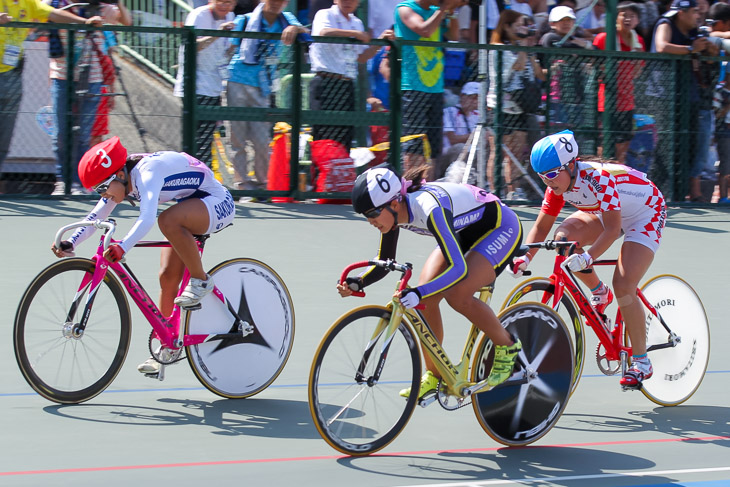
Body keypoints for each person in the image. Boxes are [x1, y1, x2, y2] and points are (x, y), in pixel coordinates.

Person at [50, 137, 236, 375]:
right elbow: (95, 218)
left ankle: (201, 280)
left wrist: (123, 247)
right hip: (190, 204)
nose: (103, 195)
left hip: (217, 203)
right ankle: (167, 347)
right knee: (167, 277)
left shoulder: (147, 173)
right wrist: (70, 241)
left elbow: (147, 218)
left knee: (167, 220)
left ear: (118, 175)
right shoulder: (122, 179)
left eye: (102, 188)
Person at [338, 164, 524, 400]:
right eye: (366, 216)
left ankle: (507, 346)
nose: (370, 221)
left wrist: (418, 292)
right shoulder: (393, 215)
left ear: (394, 203)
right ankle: (435, 374)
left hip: (499, 227)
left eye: (372, 214)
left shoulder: (429, 208)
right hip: (461, 231)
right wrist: (358, 283)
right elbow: (385, 261)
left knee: (457, 294)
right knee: (424, 299)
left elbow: (458, 268)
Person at [513, 130, 667, 389]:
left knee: (624, 283)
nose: (547, 182)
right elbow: (541, 228)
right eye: (542, 176)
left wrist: (588, 257)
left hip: (645, 213)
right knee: (564, 238)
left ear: (571, 165)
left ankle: (642, 362)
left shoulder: (599, 179)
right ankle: (598, 291)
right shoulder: (557, 186)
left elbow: (611, 229)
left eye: (551, 174)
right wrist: (524, 257)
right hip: (607, 213)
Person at [0, 2, 101, 193]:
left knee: (4, 138)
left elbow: (55, 15)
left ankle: (76, 183)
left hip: (12, 74)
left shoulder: (28, 3)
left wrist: (85, 21)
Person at [226, 0, 306, 190]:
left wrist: (295, 28)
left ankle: (263, 184)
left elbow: (305, 32)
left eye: (281, 0)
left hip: (263, 85)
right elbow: (230, 48)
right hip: (237, 80)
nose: (276, 3)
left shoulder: (287, 19)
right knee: (237, 138)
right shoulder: (244, 20)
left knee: (262, 140)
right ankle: (242, 185)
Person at [648, 0, 717, 201]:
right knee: (666, 145)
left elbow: (705, 54)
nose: (698, 16)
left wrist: (709, 49)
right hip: (665, 96)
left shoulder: (695, 31)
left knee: (688, 144)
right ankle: (659, 193)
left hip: (689, 96)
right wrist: (691, 49)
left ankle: (680, 194)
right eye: (694, 12)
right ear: (681, 13)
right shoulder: (666, 23)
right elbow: (661, 47)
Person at [395, 0, 463, 178]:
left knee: (433, 150)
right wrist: (443, 8)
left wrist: (452, 10)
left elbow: (455, 35)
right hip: (414, 88)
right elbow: (424, 30)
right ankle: (410, 191)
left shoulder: (437, 12)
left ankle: (428, 190)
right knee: (414, 147)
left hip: (436, 89)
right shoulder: (405, 9)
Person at [309, 0, 385, 150]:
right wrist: (356, 34)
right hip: (325, 82)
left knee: (345, 137)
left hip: (347, 85)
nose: (348, 2)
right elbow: (324, 33)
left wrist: (379, 43)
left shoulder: (357, 23)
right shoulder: (325, 14)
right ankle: (320, 173)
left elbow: (361, 57)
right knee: (323, 137)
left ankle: (341, 171)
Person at [173, 0, 236, 165]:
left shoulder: (230, 16)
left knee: (207, 137)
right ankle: (189, 175)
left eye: (229, 3)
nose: (225, 6)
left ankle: (203, 176)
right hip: (195, 85)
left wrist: (235, 42)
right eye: (221, 2)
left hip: (215, 85)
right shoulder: (198, 15)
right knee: (195, 138)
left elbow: (228, 49)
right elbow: (192, 45)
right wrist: (217, 33)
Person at [489, 10, 545, 195]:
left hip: (520, 108)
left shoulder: (523, 47)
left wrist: (529, 49)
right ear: (507, 26)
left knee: (515, 155)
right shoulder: (498, 47)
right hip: (500, 107)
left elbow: (537, 74)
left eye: (526, 25)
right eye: (520, 25)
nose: (523, 29)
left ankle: (513, 191)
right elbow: (516, 66)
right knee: (498, 154)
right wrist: (522, 48)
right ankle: (494, 191)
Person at [592, 1, 645, 163]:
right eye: (624, 15)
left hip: (627, 102)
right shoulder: (603, 38)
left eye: (632, 16)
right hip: (605, 101)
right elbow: (595, 65)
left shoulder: (639, 41)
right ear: (616, 17)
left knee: (623, 146)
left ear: (637, 20)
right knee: (604, 145)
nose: (628, 19)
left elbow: (637, 72)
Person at [88, 0, 133, 148]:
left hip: (102, 78)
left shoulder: (107, 9)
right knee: (85, 134)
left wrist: (118, 2)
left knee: (97, 134)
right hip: (84, 74)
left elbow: (127, 21)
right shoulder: (77, 7)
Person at [438, 81, 479, 179]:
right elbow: (453, 139)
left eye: (477, 98)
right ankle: (457, 180)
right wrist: (478, 135)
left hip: (474, 152)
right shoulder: (449, 112)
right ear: (462, 96)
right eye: (471, 97)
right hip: (450, 154)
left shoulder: (479, 115)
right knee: (460, 147)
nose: (473, 101)